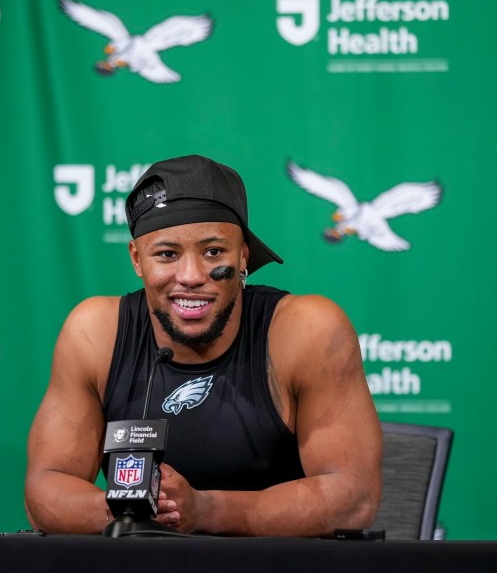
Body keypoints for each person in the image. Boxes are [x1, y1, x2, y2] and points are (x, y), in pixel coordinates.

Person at [25, 154, 382, 536]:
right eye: (167, 254)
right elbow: (47, 487)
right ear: (136, 260)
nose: (191, 276)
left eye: (213, 252)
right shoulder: (95, 333)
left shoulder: (306, 329)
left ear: (243, 255)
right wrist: (131, 511)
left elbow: (354, 496)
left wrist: (205, 509)